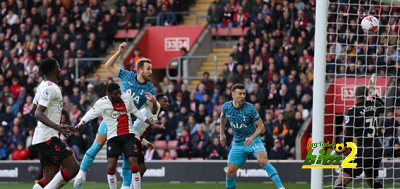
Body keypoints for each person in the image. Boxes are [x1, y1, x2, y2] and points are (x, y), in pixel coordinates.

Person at [74, 42, 157, 189]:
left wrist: (155, 102)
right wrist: (119, 52)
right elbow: (108, 66)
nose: (151, 71)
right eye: (148, 69)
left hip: (128, 125)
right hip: (111, 120)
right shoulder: (127, 75)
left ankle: (125, 187)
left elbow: (152, 111)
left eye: (151, 69)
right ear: (139, 70)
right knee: (97, 146)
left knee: (127, 160)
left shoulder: (150, 88)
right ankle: (79, 176)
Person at [75, 83, 161, 189]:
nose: (118, 95)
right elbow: (92, 113)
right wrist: (82, 121)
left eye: (119, 92)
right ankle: (80, 173)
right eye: (115, 94)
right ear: (109, 94)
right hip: (113, 136)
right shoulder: (102, 102)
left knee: (133, 165)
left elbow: (136, 112)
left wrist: (151, 123)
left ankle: (126, 186)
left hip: (128, 135)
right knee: (109, 165)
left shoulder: (127, 97)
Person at [220, 83, 285, 189]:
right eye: (240, 94)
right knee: (230, 172)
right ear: (233, 95)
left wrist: (252, 137)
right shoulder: (226, 107)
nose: (242, 96)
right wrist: (221, 133)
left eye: (244, 94)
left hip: (253, 140)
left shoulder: (250, 108)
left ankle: (281, 188)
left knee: (263, 161)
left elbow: (261, 127)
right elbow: (222, 116)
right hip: (238, 142)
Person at [31, 58, 79, 189]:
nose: (60, 69)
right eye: (58, 66)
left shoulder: (42, 85)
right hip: (48, 137)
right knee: (73, 167)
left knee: (49, 177)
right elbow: (37, 113)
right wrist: (57, 126)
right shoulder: (50, 87)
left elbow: (32, 110)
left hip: (41, 137)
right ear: (53, 69)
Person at [335, 74, 385, 189]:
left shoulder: (352, 111)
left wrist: (340, 149)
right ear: (367, 95)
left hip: (362, 150)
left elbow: (348, 137)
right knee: (371, 180)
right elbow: (382, 105)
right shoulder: (374, 106)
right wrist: (373, 93)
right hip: (376, 150)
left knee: (340, 180)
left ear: (355, 96)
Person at [131, 93, 170, 178]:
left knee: (138, 168)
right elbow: (137, 130)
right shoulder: (156, 107)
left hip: (134, 137)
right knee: (140, 168)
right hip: (133, 138)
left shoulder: (152, 110)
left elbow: (138, 129)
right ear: (157, 101)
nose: (168, 103)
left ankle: (128, 186)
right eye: (165, 101)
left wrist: (146, 143)